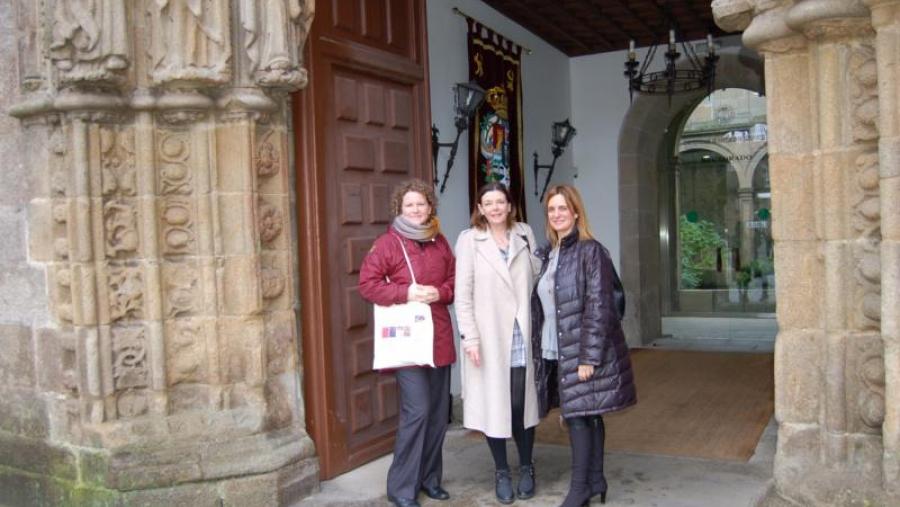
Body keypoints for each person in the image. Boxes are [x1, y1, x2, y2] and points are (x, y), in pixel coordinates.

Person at [530, 184, 636, 507]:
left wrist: (588, 357)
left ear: (576, 212)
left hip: (582, 348)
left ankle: (579, 490)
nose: (557, 214)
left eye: (563, 208)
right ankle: (595, 479)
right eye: (552, 209)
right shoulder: (549, 253)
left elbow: (599, 305)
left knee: (577, 415)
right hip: (557, 345)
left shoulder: (591, 251)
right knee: (588, 413)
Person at [358, 179, 457, 507]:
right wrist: (407, 293)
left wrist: (441, 293)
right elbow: (368, 285)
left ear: (431, 207)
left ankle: (430, 479)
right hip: (409, 342)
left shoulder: (440, 241)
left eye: (422, 204)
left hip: (439, 337)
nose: (416, 210)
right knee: (417, 411)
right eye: (409, 205)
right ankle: (402, 488)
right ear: (399, 209)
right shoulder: (387, 244)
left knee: (439, 413)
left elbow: (455, 281)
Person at [454, 183, 541, 504]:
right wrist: (470, 338)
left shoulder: (524, 234)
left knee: (521, 405)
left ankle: (528, 466)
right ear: (480, 207)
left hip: (521, 334)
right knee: (495, 405)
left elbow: (536, 275)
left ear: (509, 205)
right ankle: (502, 470)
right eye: (487, 202)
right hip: (488, 337)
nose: (494, 208)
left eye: (499, 202)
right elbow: (462, 295)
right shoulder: (469, 240)